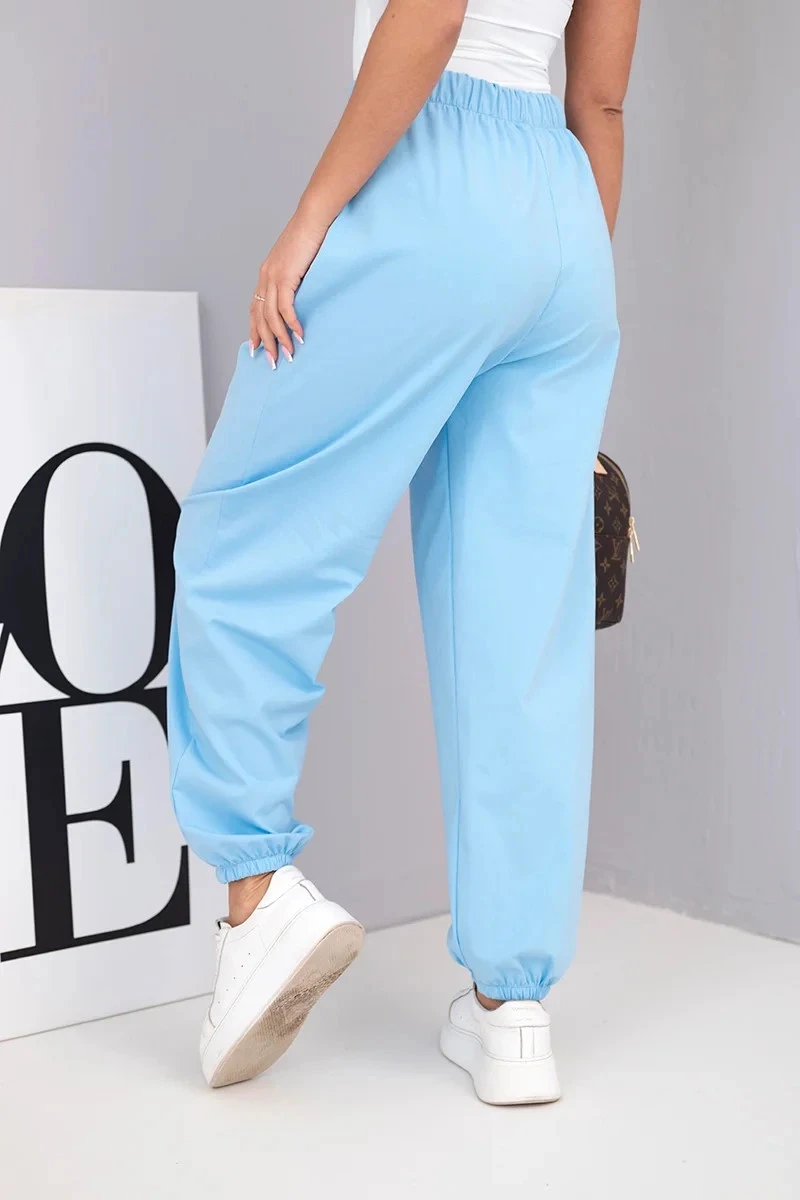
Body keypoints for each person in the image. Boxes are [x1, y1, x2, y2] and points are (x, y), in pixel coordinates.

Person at [168, 0, 639, 1103]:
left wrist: (313, 215)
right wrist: (555, 278)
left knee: (248, 533)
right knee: (520, 615)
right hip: (567, 217)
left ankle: (255, 898)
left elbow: (430, 17)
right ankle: (512, 1008)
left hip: (433, 167)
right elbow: (601, 98)